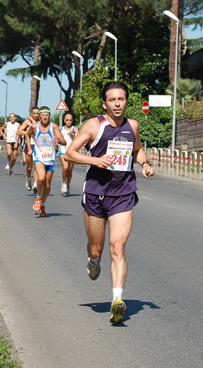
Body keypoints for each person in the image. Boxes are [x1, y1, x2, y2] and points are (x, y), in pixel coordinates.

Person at [65, 81, 155, 325]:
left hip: (123, 193)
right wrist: (95, 161)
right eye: (112, 100)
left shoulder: (132, 126)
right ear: (105, 103)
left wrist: (145, 163)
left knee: (118, 246)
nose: (117, 103)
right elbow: (69, 153)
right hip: (95, 193)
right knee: (97, 248)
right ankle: (93, 262)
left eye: (121, 99)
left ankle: (117, 300)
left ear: (126, 101)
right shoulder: (94, 125)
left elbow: (137, 150)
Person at [25, 106, 65, 218]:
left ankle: (42, 205)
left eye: (47, 115)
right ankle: (38, 198)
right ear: (39, 116)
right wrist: (29, 148)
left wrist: (60, 140)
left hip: (50, 158)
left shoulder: (54, 126)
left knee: (47, 185)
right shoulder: (34, 126)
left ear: (49, 116)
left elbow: (64, 142)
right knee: (41, 178)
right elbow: (27, 135)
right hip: (38, 157)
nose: (45, 117)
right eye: (42, 115)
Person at [18, 106, 40, 192]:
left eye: (38, 113)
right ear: (31, 113)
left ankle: (35, 184)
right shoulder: (28, 121)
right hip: (29, 145)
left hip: (38, 146)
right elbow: (18, 131)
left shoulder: (41, 122)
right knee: (30, 167)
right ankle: (28, 179)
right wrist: (28, 133)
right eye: (34, 113)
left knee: (37, 166)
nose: (36, 115)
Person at [58, 113, 79, 196]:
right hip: (63, 151)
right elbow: (58, 139)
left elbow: (78, 139)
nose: (68, 121)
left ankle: (68, 186)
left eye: (70, 120)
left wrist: (73, 135)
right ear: (64, 120)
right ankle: (63, 183)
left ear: (72, 120)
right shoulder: (61, 129)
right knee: (65, 167)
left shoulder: (74, 129)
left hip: (72, 152)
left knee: (70, 171)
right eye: (67, 120)